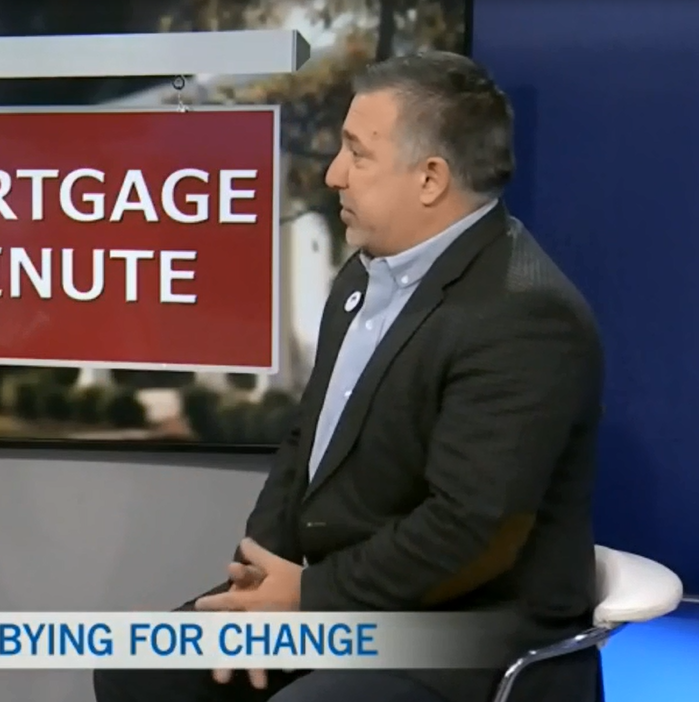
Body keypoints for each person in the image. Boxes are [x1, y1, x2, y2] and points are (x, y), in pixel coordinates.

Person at [93, 50, 604, 702]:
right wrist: (261, 577)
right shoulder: (363, 276)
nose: (333, 174)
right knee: (142, 672)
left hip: (465, 628)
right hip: (347, 596)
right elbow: (305, 441)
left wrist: (307, 599)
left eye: (358, 155)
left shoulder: (522, 315)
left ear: (430, 178)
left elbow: (470, 531)